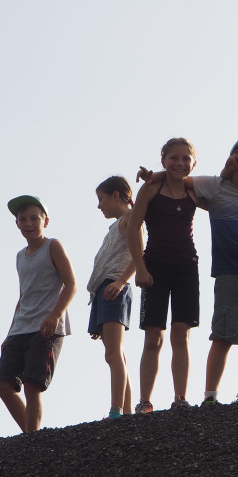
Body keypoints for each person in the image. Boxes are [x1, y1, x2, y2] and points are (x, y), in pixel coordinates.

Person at [142, 138, 238, 402]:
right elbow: (180, 178)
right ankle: (211, 395)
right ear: (231, 161)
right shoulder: (214, 186)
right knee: (223, 334)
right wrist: (154, 176)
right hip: (228, 271)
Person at [127, 138, 202, 413]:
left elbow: (222, 190)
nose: (180, 163)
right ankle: (145, 401)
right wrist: (140, 267)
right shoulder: (150, 189)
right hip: (155, 266)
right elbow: (132, 228)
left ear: (193, 163)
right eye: (174, 158)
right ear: (163, 161)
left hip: (186, 266)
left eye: (185, 158)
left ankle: (180, 398)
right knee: (153, 336)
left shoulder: (194, 190)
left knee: (181, 334)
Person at [0, 195, 77, 432]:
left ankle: (33, 440)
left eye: (34, 218)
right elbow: (23, 297)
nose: (28, 223)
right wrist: (9, 333)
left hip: (46, 327)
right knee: (2, 383)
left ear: (45, 221)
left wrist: (55, 315)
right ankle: (32, 436)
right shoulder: (20, 256)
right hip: (21, 328)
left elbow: (71, 284)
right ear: (17, 224)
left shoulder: (53, 246)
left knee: (32, 385)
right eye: (23, 219)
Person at [87, 176, 138, 419]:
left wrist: (120, 282)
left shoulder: (130, 218)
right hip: (104, 290)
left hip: (114, 286)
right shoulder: (117, 225)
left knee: (114, 353)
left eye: (101, 199)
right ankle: (125, 412)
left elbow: (140, 254)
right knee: (115, 353)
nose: (99, 205)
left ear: (116, 196)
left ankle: (116, 411)